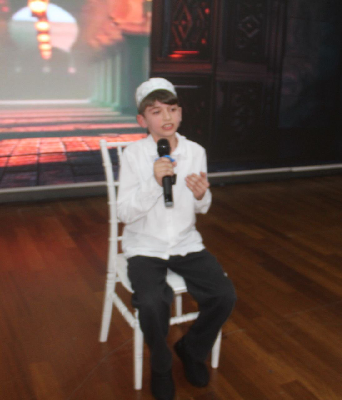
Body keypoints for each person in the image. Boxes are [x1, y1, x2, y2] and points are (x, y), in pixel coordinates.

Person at [117, 77, 236, 400]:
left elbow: (202, 206)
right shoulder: (133, 154)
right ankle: (160, 364)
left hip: (185, 242)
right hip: (146, 245)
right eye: (156, 112)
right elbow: (124, 213)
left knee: (224, 295)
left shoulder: (196, 152)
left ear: (180, 113)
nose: (166, 117)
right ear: (142, 120)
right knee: (152, 302)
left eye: (171, 109)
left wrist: (201, 195)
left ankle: (192, 350)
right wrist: (154, 184)